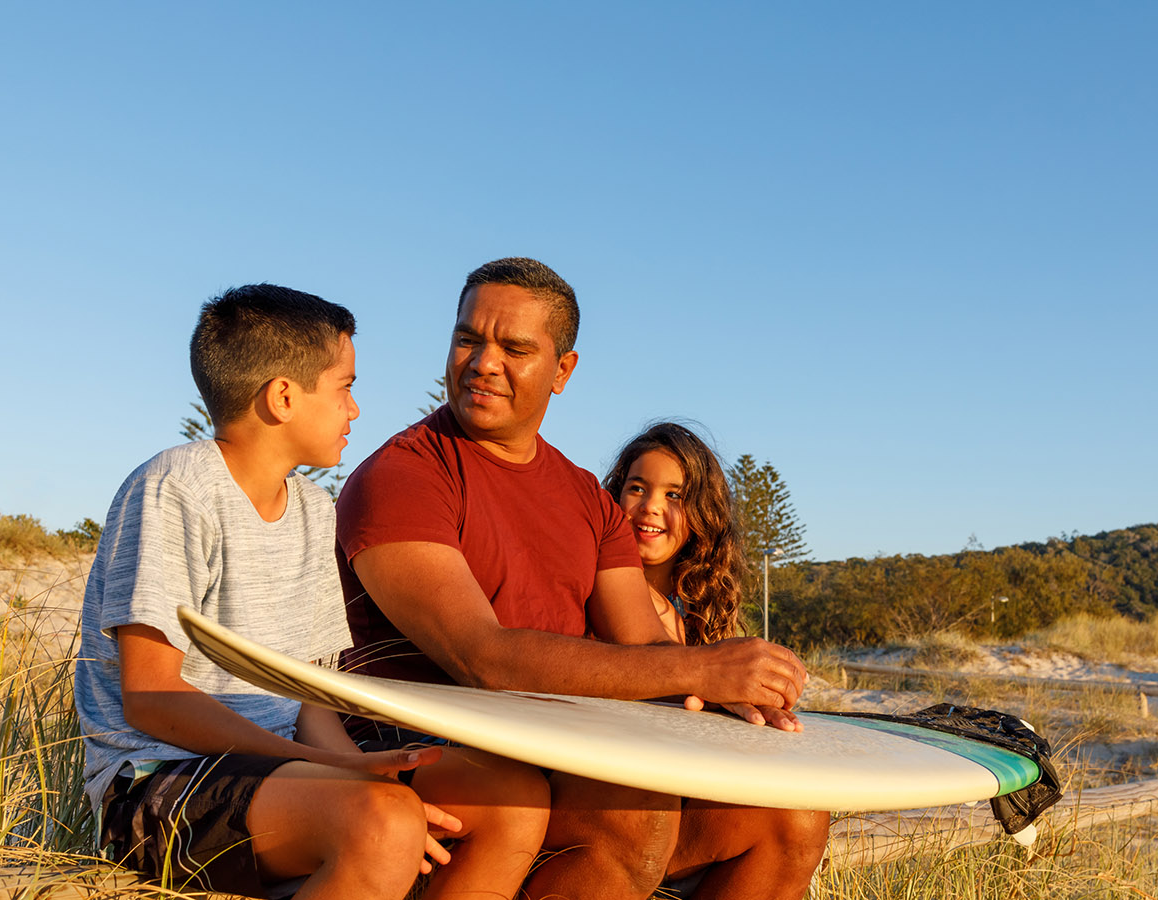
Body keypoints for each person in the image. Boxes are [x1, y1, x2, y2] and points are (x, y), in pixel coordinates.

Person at [336, 257, 820, 900]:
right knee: (628, 810)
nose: (483, 362)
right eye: (467, 339)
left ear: (562, 370)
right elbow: (481, 657)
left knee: (791, 815)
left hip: (564, 746)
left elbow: (644, 651)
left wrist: (731, 692)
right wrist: (700, 670)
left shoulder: (587, 499)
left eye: (514, 347)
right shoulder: (403, 477)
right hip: (435, 750)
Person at [73, 283, 547, 900]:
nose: (355, 410)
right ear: (284, 398)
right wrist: (337, 772)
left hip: (285, 772)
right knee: (383, 823)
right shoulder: (176, 487)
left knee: (513, 797)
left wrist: (352, 761)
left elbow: (308, 698)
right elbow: (153, 698)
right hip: (161, 782)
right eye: (345, 387)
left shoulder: (315, 510)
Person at [603, 421, 831, 898]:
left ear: (702, 513)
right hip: (612, 805)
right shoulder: (589, 587)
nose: (651, 507)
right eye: (637, 488)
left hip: (682, 799)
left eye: (675, 495)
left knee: (804, 814)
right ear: (614, 495)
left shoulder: (696, 609)